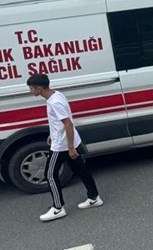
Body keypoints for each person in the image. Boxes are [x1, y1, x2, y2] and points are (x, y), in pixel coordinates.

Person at [26, 74, 102, 222]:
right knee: (81, 170)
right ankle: (94, 198)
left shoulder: (55, 102)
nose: (30, 91)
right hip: (65, 141)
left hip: (61, 146)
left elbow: (68, 123)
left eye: (31, 88)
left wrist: (70, 148)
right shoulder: (56, 95)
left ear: (39, 88)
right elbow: (59, 123)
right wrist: (52, 134)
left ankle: (58, 208)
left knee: (49, 174)